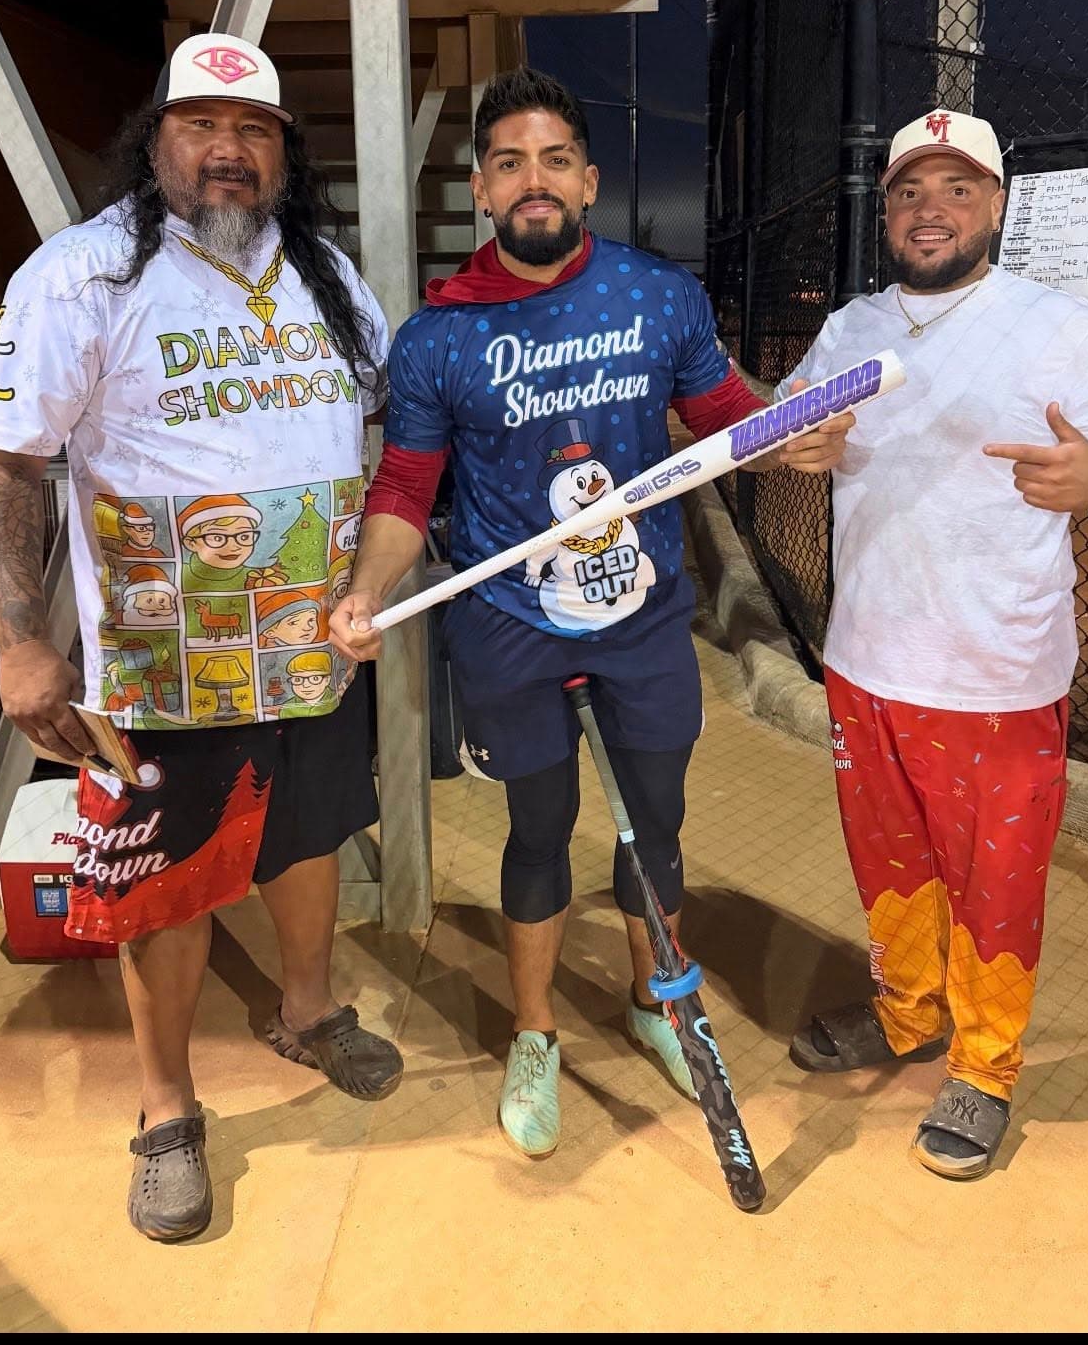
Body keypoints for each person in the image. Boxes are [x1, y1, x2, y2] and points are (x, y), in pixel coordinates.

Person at [331, 67, 854, 1157]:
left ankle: (652, 999)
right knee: (536, 831)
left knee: (652, 825)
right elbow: (404, 491)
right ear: (481, 189)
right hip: (509, 625)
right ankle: (535, 1036)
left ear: (588, 180)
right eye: (511, 162)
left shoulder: (657, 297)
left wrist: (782, 432)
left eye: (555, 160)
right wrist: (367, 591)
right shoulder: (437, 338)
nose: (535, 180)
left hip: (644, 619)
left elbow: (720, 419)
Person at [0, 31, 404, 1243]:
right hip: (162, 662)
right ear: (155, 140)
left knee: (309, 838)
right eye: (202, 128)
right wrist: (19, 643)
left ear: (283, 154)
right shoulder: (82, 276)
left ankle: (307, 1014)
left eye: (253, 131)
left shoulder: (326, 275)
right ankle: (166, 1113)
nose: (227, 152)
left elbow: (380, 432)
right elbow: (4, 463)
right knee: (163, 881)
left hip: (313, 645)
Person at [785, 109, 1088, 1178]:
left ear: (996, 206)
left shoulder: (1056, 325)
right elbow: (789, 428)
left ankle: (986, 1066)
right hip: (867, 660)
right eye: (912, 190)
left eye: (959, 189)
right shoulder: (854, 329)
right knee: (892, 868)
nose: (932, 209)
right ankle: (909, 1015)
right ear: (889, 211)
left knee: (997, 883)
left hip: (998, 673)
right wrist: (798, 443)